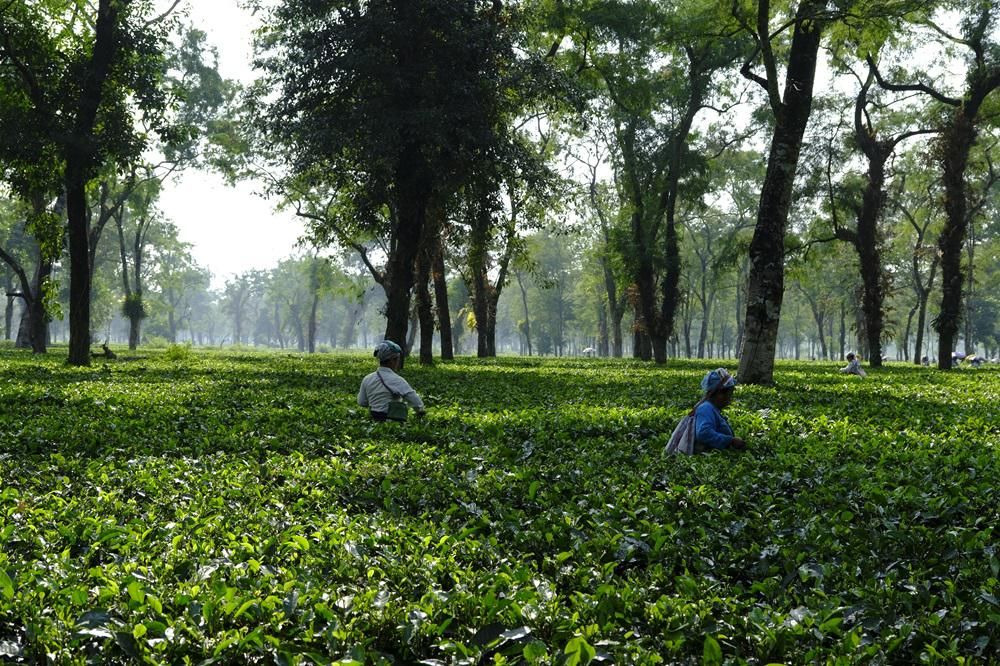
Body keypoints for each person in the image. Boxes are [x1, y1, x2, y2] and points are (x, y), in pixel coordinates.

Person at [358, 340, 425, 421]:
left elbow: (362, 402)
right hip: (393, 422)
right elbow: (417, 403)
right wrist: (420, 414)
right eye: (397, 359)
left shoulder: (367, 379)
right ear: (392, 360)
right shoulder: (397, 380)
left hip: (373, 421)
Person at [694, 368, 746, 452]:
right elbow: (704, 433)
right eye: (729, 394)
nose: (730, 398)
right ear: (719, 394)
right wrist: (730, 441)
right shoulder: (706, 408)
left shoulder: (712, 408)